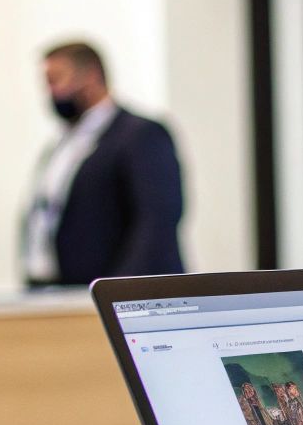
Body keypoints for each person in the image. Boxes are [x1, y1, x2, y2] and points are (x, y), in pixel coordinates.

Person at [22, 41, 185, 286]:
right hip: (59, 290)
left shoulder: (140, 135)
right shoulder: (62, 143)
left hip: (115, 297)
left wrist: (118, 292)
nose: (51, 91)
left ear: (90, 76)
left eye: (56, 79)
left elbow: (156, 222)